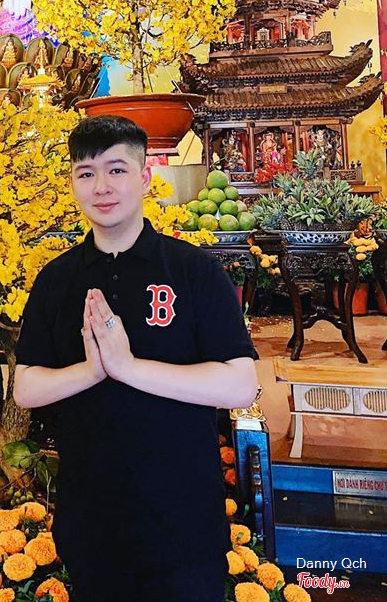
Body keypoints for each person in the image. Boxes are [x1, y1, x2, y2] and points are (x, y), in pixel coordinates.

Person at [14, 115, 258, 602]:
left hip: (183, 520)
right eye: (86, 173)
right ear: (73, 184)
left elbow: (239, 384)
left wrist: (129, 369)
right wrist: (92, 370)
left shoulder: (193, 271)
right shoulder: (57, 280)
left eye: (116, 170)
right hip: (92, 519)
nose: (101, 187)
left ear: (145, 177)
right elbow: (26, 387)